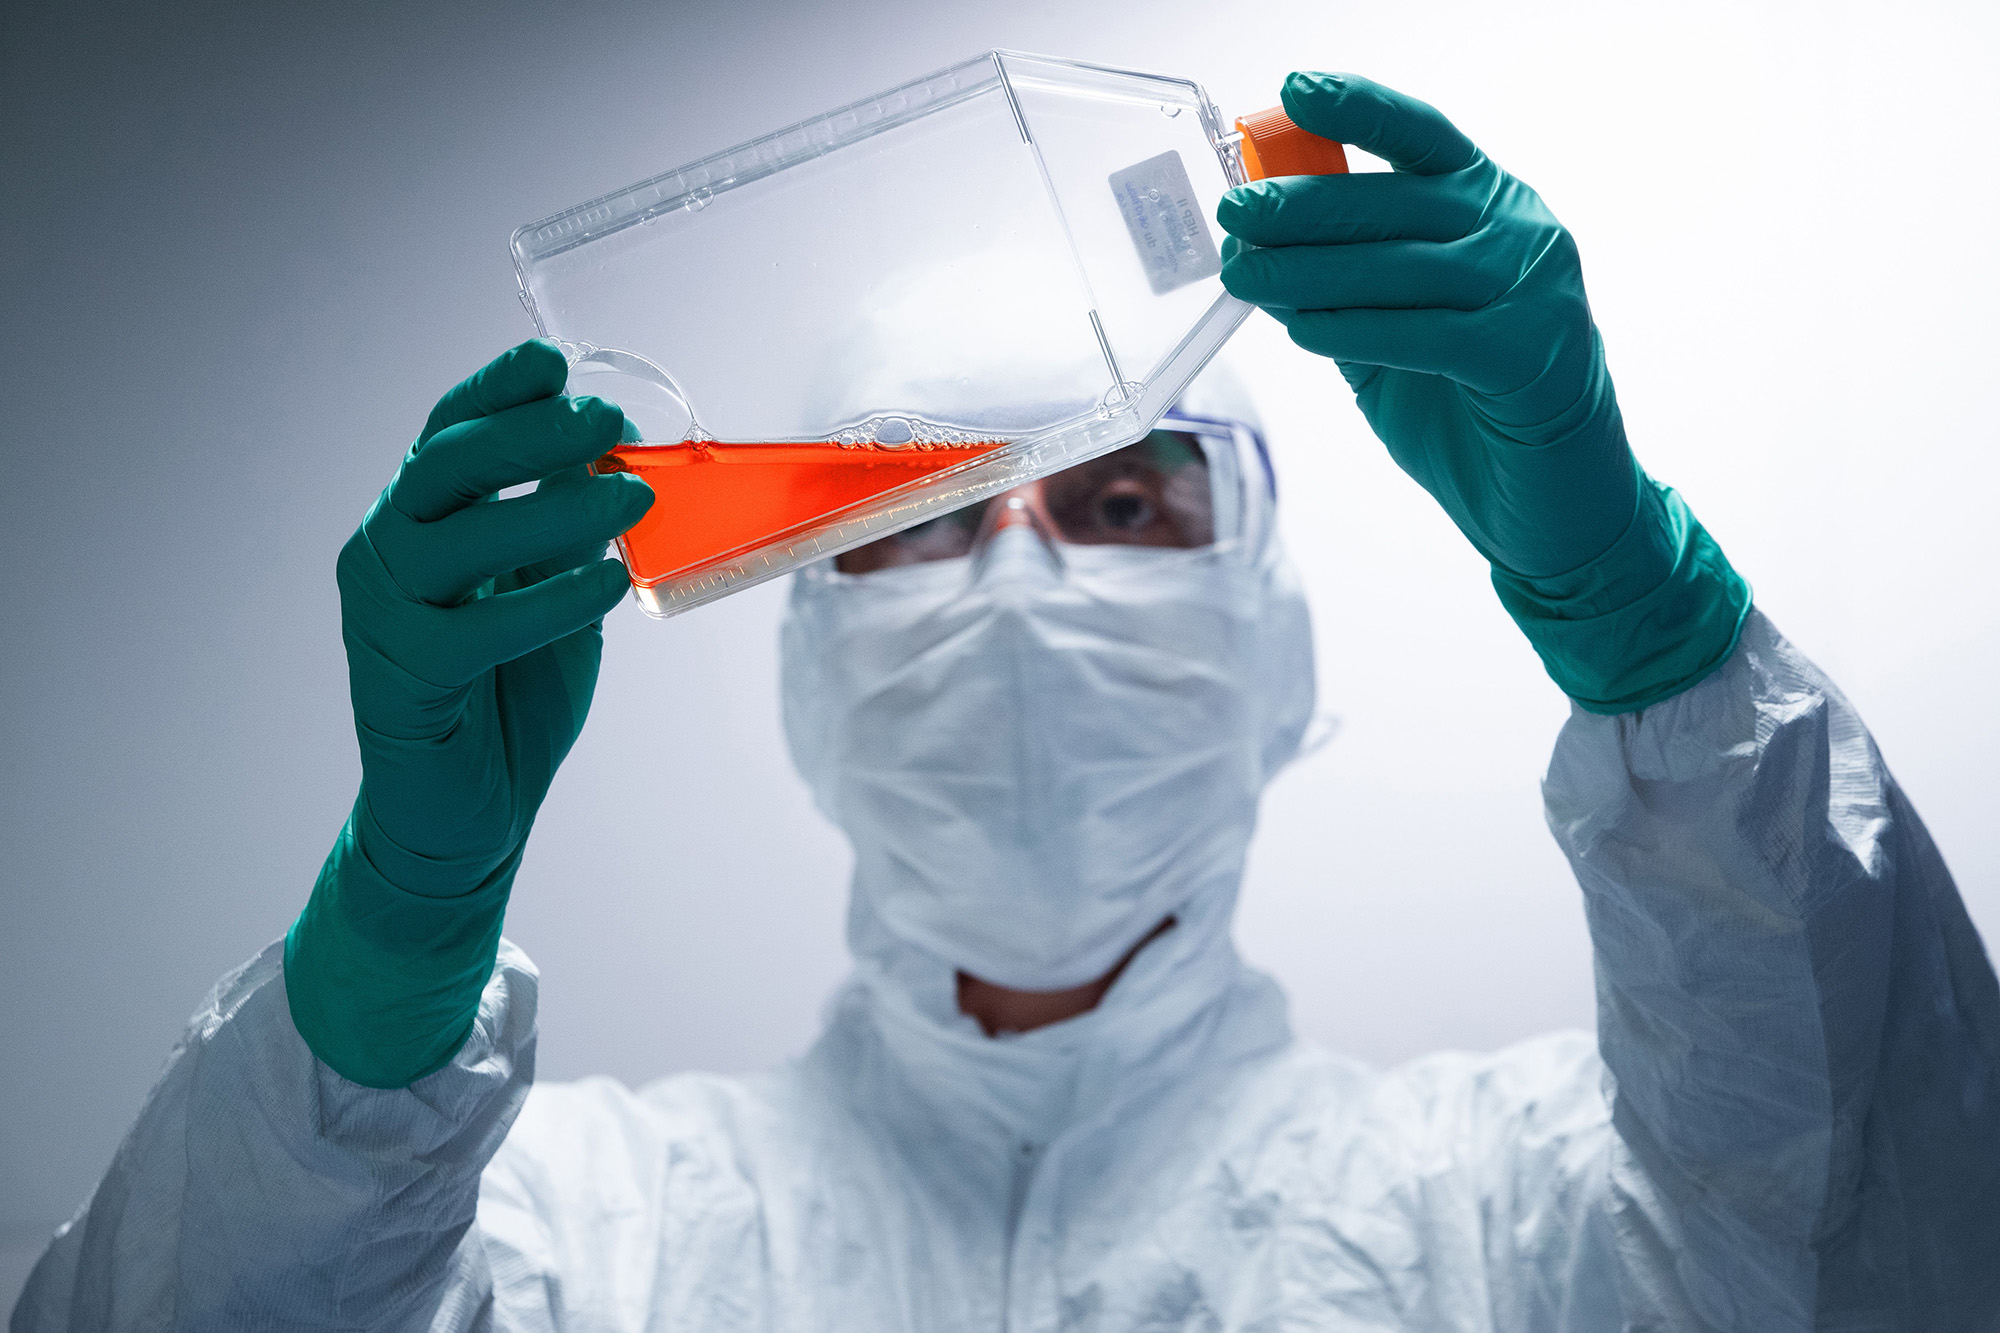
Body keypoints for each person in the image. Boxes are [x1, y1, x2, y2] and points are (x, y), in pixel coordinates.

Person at [14, 73, 1999, 1332]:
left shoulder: (1514, 1219)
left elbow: (1892, 1249)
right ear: (808, 671)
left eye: (1122, 503)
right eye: (916, 516)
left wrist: (1659, 643)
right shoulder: (570, 1240)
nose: (1025, 582)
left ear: (1277, 650)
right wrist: (386, 955)